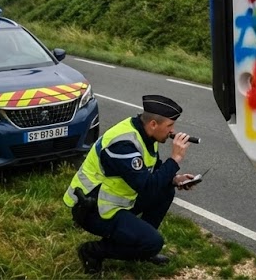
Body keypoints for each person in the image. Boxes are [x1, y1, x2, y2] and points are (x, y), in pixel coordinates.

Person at [63, 94, 198, 274]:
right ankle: (92, 252)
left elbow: (153, 172)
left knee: (166, 190)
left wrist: (175, 179)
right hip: (94, 208)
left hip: (118, 201)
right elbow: (147, 186)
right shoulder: (124, 144)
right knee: (154, 242)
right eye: (170, 126)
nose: (172, 131)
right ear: (153, 124)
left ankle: (141, 246)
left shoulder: (146, 134)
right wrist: (175, 159)